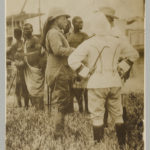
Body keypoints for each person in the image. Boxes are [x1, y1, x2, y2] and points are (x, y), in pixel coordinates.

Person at [68, 7, 139, 149]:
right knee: (118, 115)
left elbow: (72, 60)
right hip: (114, 81)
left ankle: (99, 145)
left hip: (96, 82)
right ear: (108, 24)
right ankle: (122, 144)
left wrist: (86, 72)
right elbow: (134, 55)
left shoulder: (89, 42)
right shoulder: (117, 41)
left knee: (97, 116)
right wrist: (121, 68)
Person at [41, 7, 74, 139]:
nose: (66, 21)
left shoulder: (55, 32)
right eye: (64, 18)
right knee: (61, 104)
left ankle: (61, 130)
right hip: (58, 73)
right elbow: (58, 50)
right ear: (55, 19)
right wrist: (74, 50)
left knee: (64, 103)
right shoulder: (53, 33)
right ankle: (58, 134)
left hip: (59, 71)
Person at [67, 16, 89, 113]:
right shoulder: (68, 36)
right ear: (73, 24)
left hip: (83, 64)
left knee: (86, 88)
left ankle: (87, 109)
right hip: (72, 65)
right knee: (74, 88)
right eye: (78, 23)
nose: (81, 24)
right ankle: (78, 109)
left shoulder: (84, 36)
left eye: (82, 22)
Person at [23, 23, 45, 110]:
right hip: (29, 69)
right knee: (31, 89)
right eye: (24, 29)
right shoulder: (26, 41)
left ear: (32, 30)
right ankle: (36, 108)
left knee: (38, 90)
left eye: (28, 29)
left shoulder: (35, 39)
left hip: (36, 68)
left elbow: (38, 52)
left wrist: (25, 54)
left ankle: (40, 108)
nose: (26, 31)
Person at [7, 28, 29, 108]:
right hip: (20, 68)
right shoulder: (20, 43)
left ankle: (24, 105)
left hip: (23, 67)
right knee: (21, 87)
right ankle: (22, 105)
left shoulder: (21, 43)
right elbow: (7, 54)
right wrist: (14, 61)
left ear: (15, 35)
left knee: (22, 87)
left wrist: (14, 60)